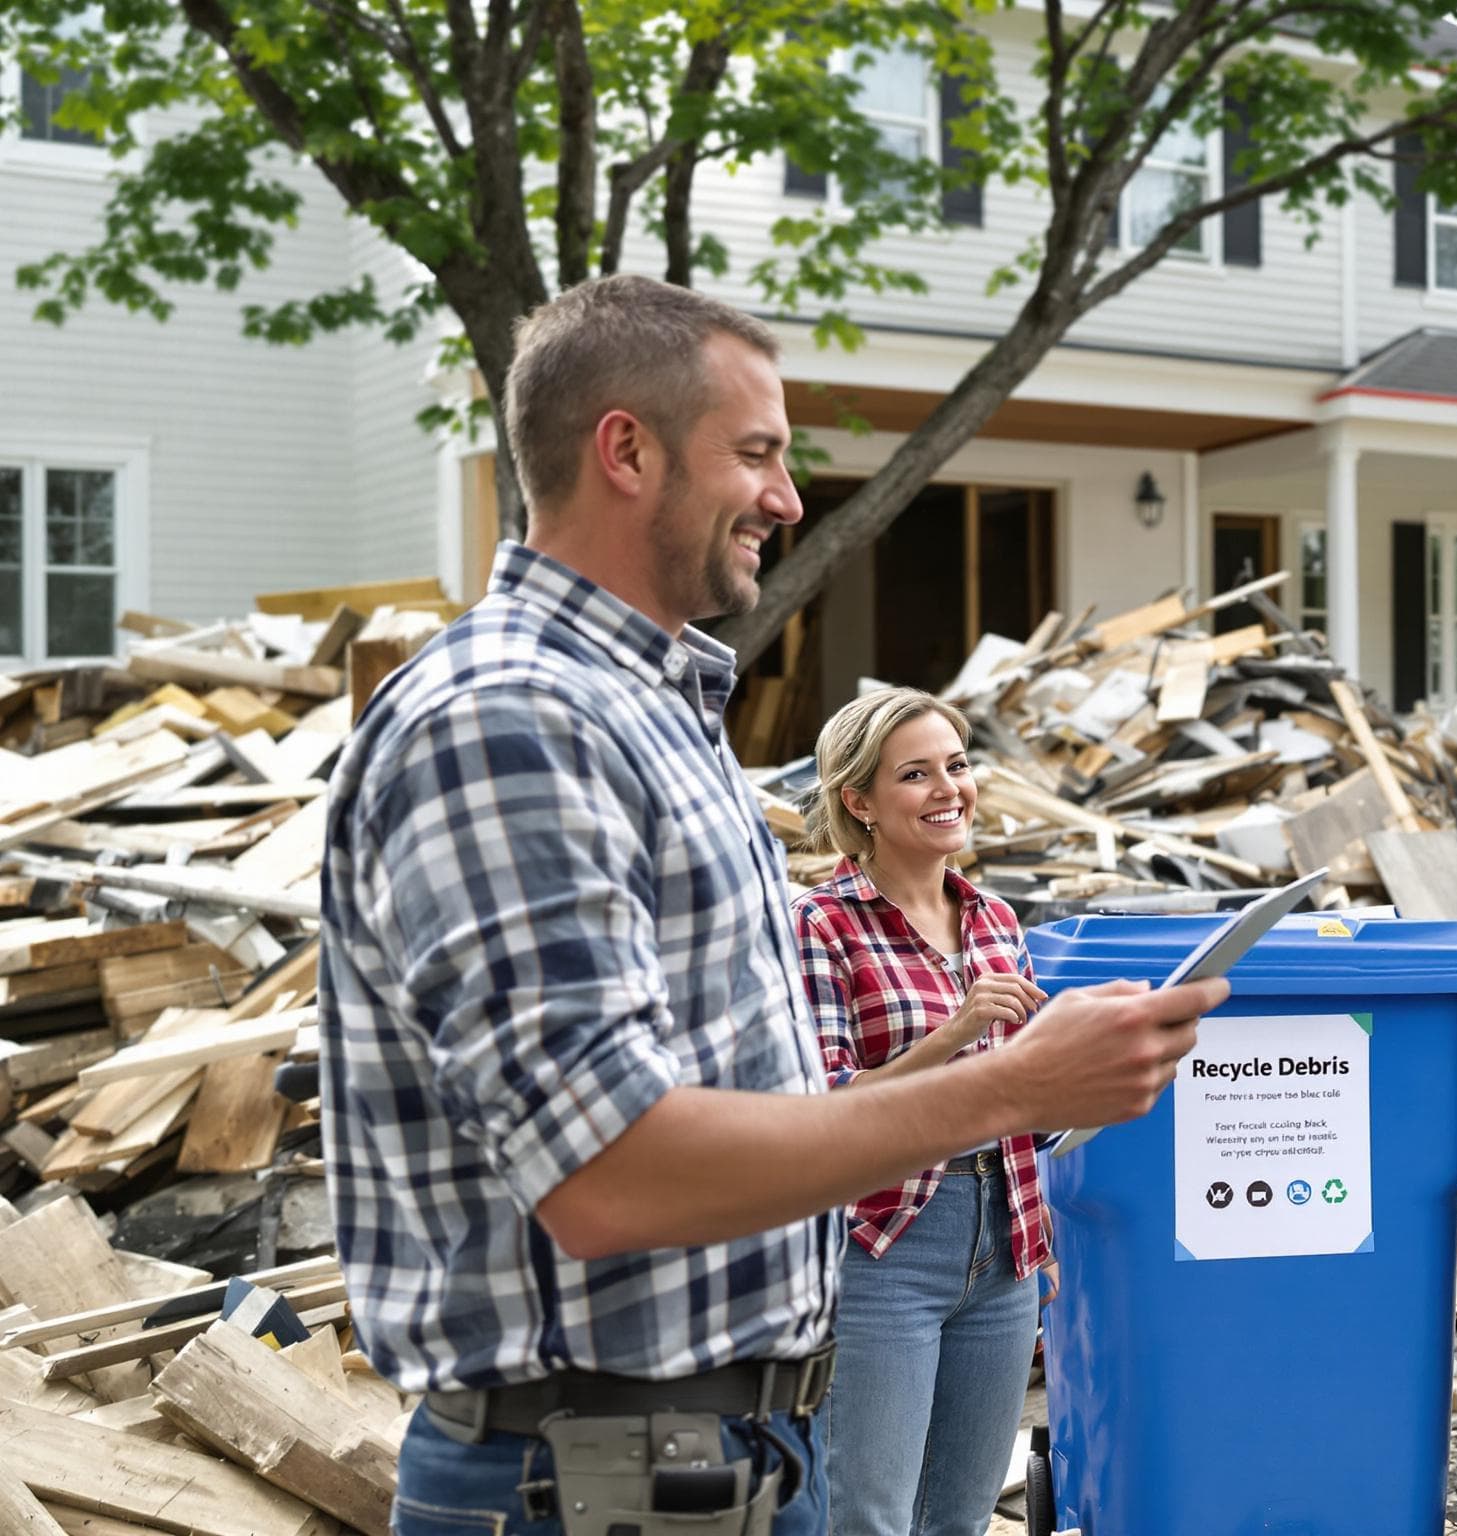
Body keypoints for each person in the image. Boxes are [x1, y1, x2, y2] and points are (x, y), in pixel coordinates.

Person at [318, 272, 1225, 1536]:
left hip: (721, 1452)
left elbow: (753, 1111)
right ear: (625, 449)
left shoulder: (653, 719)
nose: (789, 500)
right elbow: (609, 1173)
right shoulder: (509, 721)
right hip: (589, 1483)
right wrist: (1015, 1086)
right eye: (756, 453)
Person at [795, 688, 1047, 1536]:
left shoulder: (993, 917)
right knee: (871, 1519)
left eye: (959, 765)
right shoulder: (821, 926)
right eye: (916, 774)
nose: (950, 789)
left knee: (960, 1519)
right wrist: (961, 1027)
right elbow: (824, 1112)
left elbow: (1021, 1100)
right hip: (884, 1248)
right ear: (857, 801)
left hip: (1006, 1241)